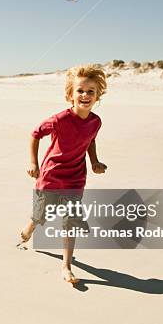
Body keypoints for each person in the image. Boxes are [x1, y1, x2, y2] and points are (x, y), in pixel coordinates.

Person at [16, 65, 107, 284]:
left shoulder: (95, 122)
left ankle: (66, 266)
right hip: (50, 176)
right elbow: (35, 134)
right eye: (80, 91)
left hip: (75, 178)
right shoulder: (59, 120)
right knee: (41, 215)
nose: (85, 95)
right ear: (70, 95)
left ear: (98, 96)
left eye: (91, 91)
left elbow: (90, 141)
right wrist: (33, 163)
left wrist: (94, 161)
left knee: (71, 221)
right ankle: (29, 227)